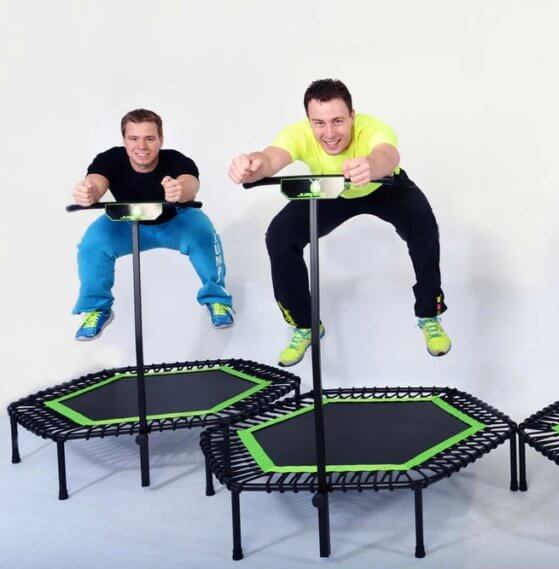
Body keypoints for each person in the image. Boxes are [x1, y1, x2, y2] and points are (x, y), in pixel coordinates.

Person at [228, 78, 450, 366]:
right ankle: (305, 324)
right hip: (331, 190)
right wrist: (252, 165)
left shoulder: (373, 128)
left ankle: (429, 314)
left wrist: (371, 166)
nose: (330, 133)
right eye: (319, 123)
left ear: (352, 116)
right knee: (280, 236)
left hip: (382, 185)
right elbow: (271, 159)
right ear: (308, 121)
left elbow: (387, 155)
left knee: (424, 226)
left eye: (338, 121)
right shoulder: (298, 134)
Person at [71, 109, 233, 340]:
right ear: (124, 140)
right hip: (128, 223)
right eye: (133, 138)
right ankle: (97, 309)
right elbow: (96, 182)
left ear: (161, 140)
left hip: (174, 220)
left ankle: (218, 300)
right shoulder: (109, 159)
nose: (142, 146)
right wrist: (89, 191)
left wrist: (179, 190)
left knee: (203, 234)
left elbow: (190, 184)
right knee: (92, 244)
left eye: (149, 138)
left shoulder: (176, 160)